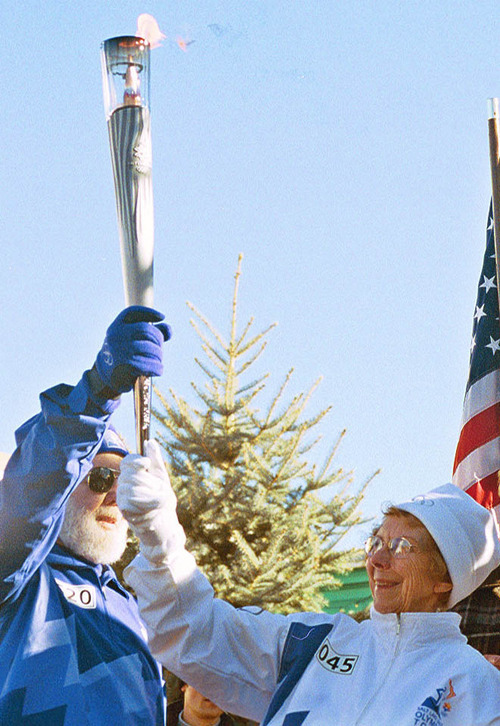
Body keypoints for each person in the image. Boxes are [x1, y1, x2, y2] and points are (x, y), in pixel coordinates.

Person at [116, 444, 500, 726]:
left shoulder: (477, 687)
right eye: (376, 541)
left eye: (402, 547)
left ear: (444, 579)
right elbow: (197, 633)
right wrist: (158, 531)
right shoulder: (311, 643)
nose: (378, 560)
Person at [0, 306, 170, 725]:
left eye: (123, 479)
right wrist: (98, 389)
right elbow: (31, 490)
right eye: (98, 479)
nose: (115, 495)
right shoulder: (20, 580)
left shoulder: (132, 609)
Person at [166, 675, 235, 726]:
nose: (213, 691)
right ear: (185, 684)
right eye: (205, 681)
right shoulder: (158, 721)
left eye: (222, 684)